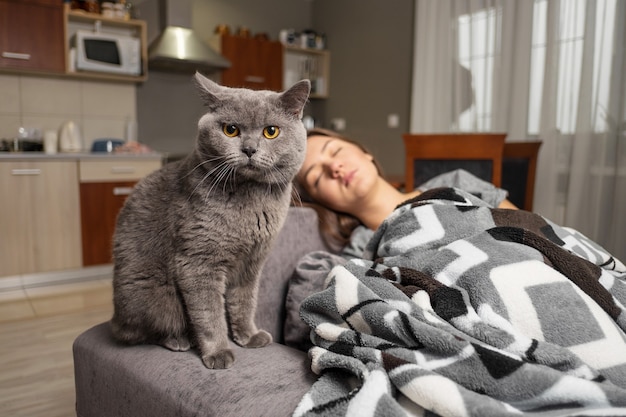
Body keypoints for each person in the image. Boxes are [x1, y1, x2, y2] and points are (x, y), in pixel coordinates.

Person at [294, 128, 518, 250]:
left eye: (335, 151)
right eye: (317, 177)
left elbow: (532, 230)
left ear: (365, 152)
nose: (335, 167)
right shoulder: (361, 250)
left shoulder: (457, 183)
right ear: (323, 202)